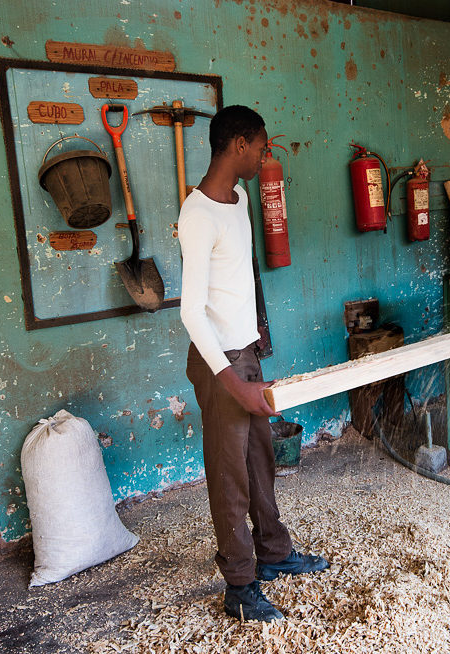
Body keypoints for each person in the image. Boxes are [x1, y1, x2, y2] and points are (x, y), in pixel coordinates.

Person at [178, 105, 328, 623]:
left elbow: (242, 278)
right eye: (261, 145)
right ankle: (239, 586)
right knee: (229, 474)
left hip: (245, 353)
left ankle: (274, 552)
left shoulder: (238, 198)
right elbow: (190, 311)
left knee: (260, 459)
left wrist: (257, 343)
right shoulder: (196, 215)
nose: (265, 154)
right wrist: (232, 382)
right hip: (219, 362)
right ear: (239, 144)